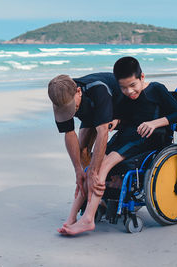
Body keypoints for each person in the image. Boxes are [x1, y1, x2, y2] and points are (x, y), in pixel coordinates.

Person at [62, 56, 177, 235]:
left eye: (133, 85)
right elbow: (127, 118)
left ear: (142, 77)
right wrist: (117, 121)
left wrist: (154, 123)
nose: (129, 91)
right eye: (123, 87)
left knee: (102, 167)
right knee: (90, 169)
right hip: (128, 134)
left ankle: (88, 219)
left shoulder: (156, 89)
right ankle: (71, 218)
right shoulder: (125, 96)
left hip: (150, 137)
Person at [47, 73, 124, 234]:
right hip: (90, 110)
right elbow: (69, 134)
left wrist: (93, 172)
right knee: (82, 152)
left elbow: (103, 133)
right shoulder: (60, 98)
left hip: (120, 106)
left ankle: (109, 183)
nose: (70, 112)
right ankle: (99, 196)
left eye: (72, 108)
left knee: (94, 168)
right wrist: (78, 170)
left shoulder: (98, 90)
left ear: (78, 91)